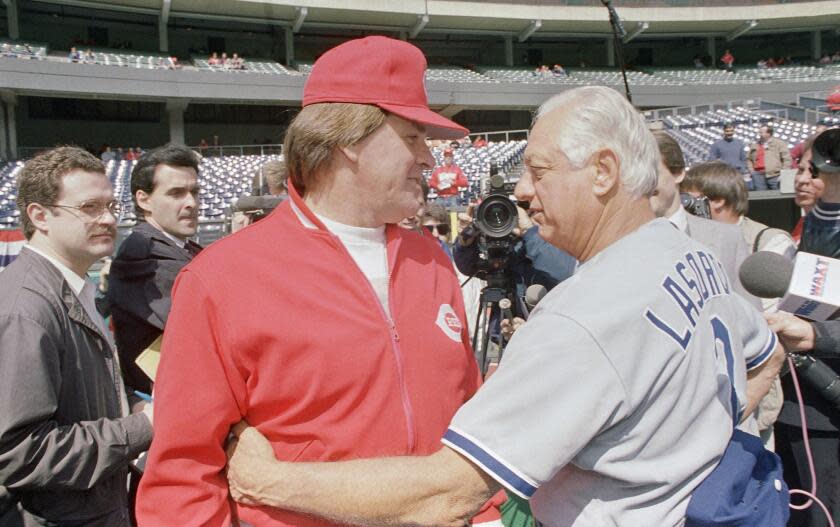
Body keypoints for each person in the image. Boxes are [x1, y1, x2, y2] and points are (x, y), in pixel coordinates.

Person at [224, 85, 784, 527]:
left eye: (537, 171)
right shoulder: (689, 252)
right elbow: (766, 356)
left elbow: (449, 494)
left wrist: (267, 483)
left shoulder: (581, 315)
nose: (518, 191)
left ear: (604, 172)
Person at [136, 36, 502, 527]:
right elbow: (182, 479)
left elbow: (462, 414)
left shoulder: (431, 259)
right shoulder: (221, 278)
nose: (429, 159)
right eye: (412, 136)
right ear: (350, 140)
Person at [0, 147, 153, 526]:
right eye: (89, 207)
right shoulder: (25, 309)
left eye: (110, 206)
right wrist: (144, 426)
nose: (107, 219)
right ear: (40, 216)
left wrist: (131, 405)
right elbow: (21, 453)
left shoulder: (70, 289)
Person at [681, 160, 795, 450]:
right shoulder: (688, 241)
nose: (684, 208)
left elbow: (771, 317)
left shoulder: (767, 240)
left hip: (756, 392)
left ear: (716, 202)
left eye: (690, 199)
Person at [108, 144, 202, 396]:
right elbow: (209, 326)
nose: (191, 202)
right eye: (176, 193)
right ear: (144, 199)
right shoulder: (141, 253)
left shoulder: (184, 246)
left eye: (194, 191)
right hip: (163, 405)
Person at [651, 131, 760, 308]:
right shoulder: (615, 242)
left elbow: (751, 318)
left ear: (678, 173)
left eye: (651, 173)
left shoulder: (727, 237)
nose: (642, 182)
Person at [747, 124, 792, 191]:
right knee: (761, 197)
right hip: (758, 175)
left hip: (775, 175)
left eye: (761, 132)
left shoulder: (779, 143)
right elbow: (749, 159)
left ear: (769, 133)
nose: (759, 134)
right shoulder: (755, 145)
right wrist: (752, 171)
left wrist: (784, 173)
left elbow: (787, 159)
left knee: (777, 196)